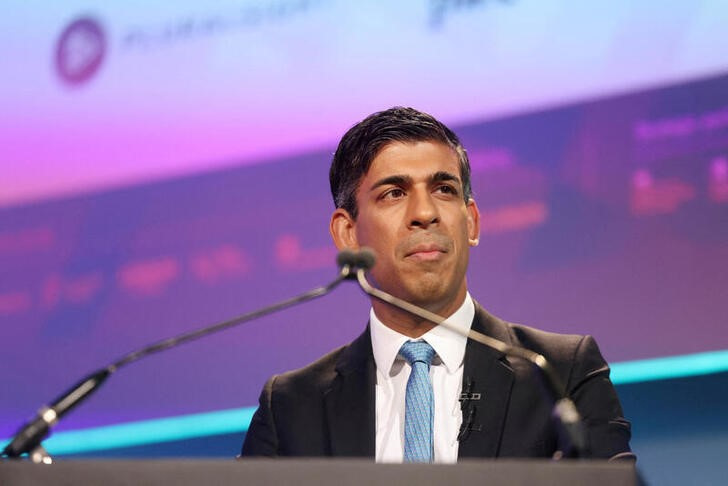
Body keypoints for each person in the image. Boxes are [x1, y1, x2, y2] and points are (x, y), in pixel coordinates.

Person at [241, 107, 634, 462]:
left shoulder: (557, 373)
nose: (425, 213)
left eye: (444, 190)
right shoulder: (292, 408)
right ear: (347, 233)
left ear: (471, 222)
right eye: (394, 193)